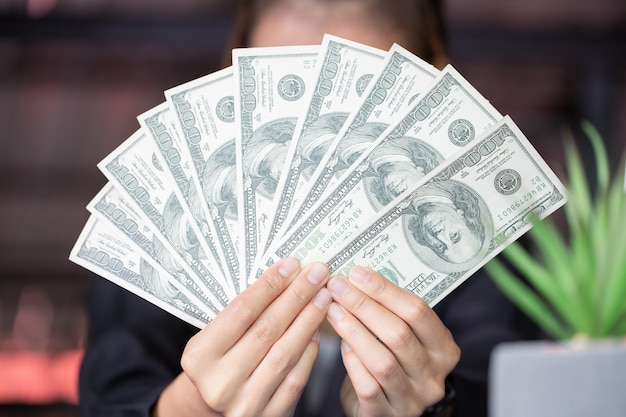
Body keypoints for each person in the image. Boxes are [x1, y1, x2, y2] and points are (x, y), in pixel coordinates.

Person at [80, 1, 540, 416]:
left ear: (432, 90)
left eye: (359, 105)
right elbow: (113, 388)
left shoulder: (479, 237)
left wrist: (438, 408)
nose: (313, 153)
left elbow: (510, 387)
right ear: (231, 83)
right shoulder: (164, 228)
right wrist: (192, 407)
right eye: (286, 95)